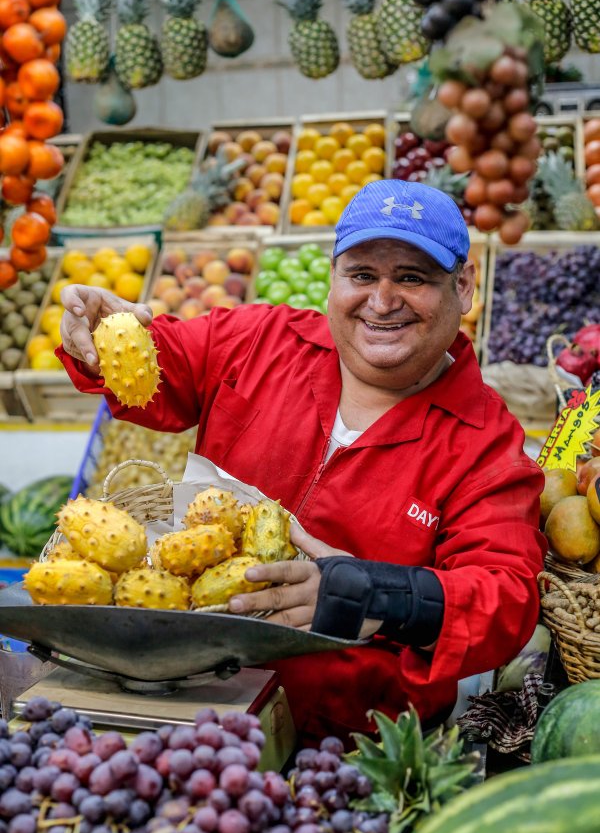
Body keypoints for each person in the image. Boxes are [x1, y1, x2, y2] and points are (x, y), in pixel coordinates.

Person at [57, 179, 546, 747]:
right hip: (188, 700)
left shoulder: (485, 442)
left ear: (463, 286)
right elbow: (160, 360)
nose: (382, 301)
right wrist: (94, 331)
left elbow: (506, 599)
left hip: (346, 742)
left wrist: (375, 593)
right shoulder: (258, 342)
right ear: (334, 277)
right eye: (362, 275)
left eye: (411, 277)